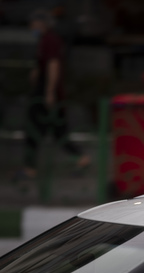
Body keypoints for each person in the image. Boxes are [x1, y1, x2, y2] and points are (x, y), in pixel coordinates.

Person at [19, 9, 90, 180]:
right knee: (55, 130)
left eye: (33, 23)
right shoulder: (44, 40)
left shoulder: (51, 40)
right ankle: (80, 158)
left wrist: (49, 92)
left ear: (41, 23)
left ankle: (31, 167)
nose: (31, 27)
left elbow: (53, 65)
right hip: (45, 92)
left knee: (37, 128)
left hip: (47, 93)